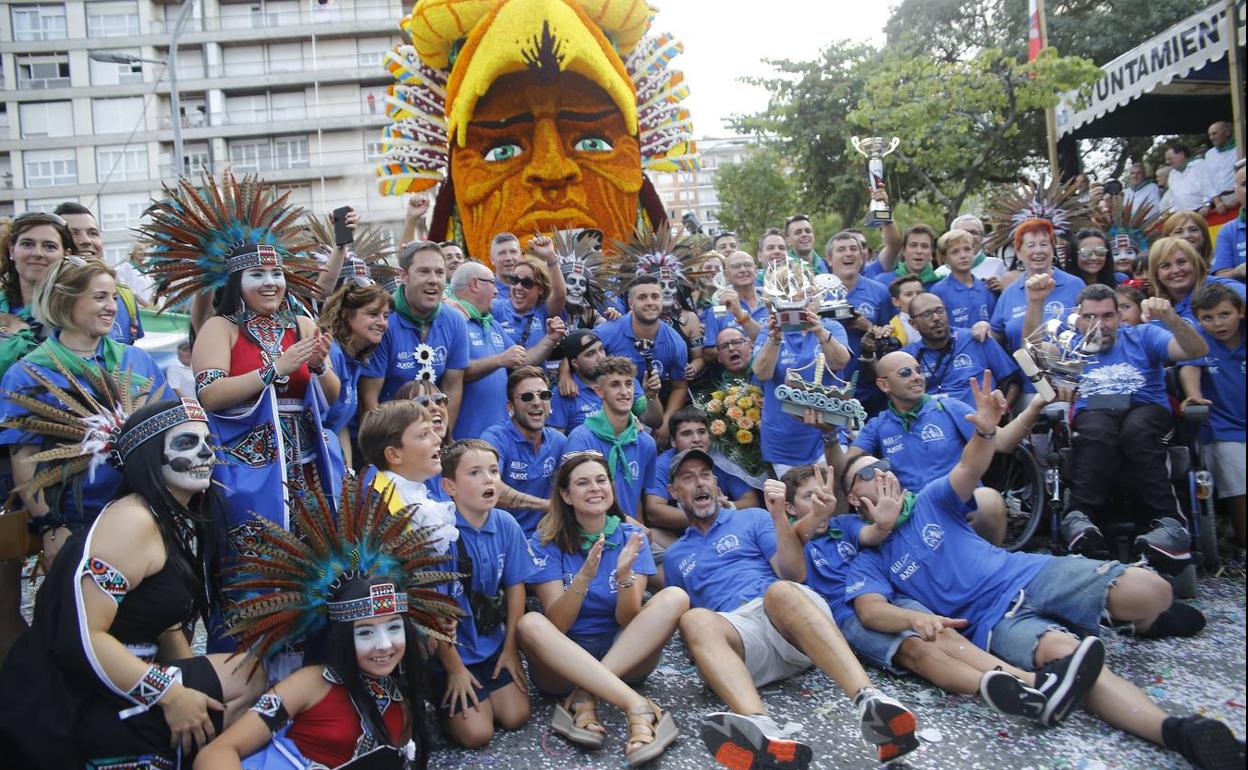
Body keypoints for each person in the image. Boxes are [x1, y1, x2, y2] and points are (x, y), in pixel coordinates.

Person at [842, 375, 1242, 770]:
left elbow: (969, 468)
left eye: (882, 464)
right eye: (866, 472)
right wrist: (915, 616)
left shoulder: (929, 500)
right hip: (994, 622)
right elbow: (870, 611)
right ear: (853, 499)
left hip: (1028, 573)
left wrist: (984, 433)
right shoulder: (868, 556)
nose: (880, 471)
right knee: (1070, 661)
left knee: (1154, 591)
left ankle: (1137, 620)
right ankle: (1178, 732)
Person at [0, 398, 265, 769]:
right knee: (246, 680)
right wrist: (171, 696)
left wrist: (191, 689)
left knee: (247, 676)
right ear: (149, 457)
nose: (206, 452)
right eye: (187, 442)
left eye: (208, 441)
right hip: (75, 695)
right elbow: (82, 637)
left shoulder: (170, 518)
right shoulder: (131, 522)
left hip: (121, 677)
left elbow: (165, 623)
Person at [664, 448, 919, 768]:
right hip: (742, 638)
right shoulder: (675, 557)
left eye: (705, 475)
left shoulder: (752, 518)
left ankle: (870, 701)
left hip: (790, 623)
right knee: (694, 619)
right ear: (673, 492)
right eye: (688, 478)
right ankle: (761, 732)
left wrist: (778, 517)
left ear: (717, 484)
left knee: (780, 590)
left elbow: (792, 574)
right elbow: (698, 633)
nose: (699, 484)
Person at [788, 464, 1098, 727]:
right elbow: (791, 567)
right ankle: (996, 689)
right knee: (918, 651)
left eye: (823, 493)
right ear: (790, 508)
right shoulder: (788, 540)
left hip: (887, 593)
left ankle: (1032, 683)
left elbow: (872, 534)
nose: (821, 500)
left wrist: (882, 521)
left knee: (941, 631)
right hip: (848, 615)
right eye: (809, 497)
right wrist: (816, 515)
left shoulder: (843, 524)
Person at [192, 476, 461, 770]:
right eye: (366, 631)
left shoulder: (403, 711)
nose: (384, 644)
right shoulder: (309, 684)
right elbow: (217, 753)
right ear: (343, 635)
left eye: (394, 627)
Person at [1023, 281, 1208, 567]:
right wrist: (1035, 303)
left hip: (1145, 410)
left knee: (1137, 429)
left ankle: (1170, 524)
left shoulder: (1144, 336)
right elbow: (1031, 354)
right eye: (1090, 317)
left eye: (1107, 316)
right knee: (1096, 430)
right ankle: (1079, 517)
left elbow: (1196, 350)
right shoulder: (1070, 345)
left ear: (1119, 316)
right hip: (1096, 414)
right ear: (1079, 319)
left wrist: (1170, 318)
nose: (1100, 324)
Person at [517, 452, 685, 765]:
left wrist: (624, 578)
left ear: (611, 487)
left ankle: (586, 695)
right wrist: (582, 579)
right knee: (530, 624)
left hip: (623, 654)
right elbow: (558, 624)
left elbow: (629, 619)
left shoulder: (632, 537)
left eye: (600, 480)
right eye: (582, 483)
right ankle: (638, 707)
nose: (595, 488)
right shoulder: (546, 540)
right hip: (563, 659)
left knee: (675, 596)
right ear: (566, 495)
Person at [0, 258, 165, 564]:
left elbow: (167, 434)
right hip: (75, 523)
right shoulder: (28, 374)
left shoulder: (136, 361)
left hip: (144, 515)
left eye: (114, 297)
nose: (112, 307)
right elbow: (25, 460)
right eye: (99, 297)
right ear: (64, 300)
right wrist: (51, 525)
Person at [851, 349, 1042, 546]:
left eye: (918, 370)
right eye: (906, 373)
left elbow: (1003, 442)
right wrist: (831, 436)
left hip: (959, 503)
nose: (917, 377)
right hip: (914, 514)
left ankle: (988, 565)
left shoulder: (949, 407)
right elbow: (848, 468)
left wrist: (1035, 406)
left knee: (988, 501)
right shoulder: (878, 425)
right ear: (884, 384)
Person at [430, 440, 534, 748]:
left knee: (516, 715)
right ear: (449, 486)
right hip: (452, 651)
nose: (489, 479)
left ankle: (487, 684)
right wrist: (455, 669)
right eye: (474, 473)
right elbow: (434, 612)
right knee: (477, 734)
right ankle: (440, 693)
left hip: (491, 645)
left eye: (493, 471)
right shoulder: (440, 533)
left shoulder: (506, 523)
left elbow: (516, 590)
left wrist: (511, 649)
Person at [448, 260, 564, 440]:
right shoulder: (451, 320)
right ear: (474, 284)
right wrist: (499, 360)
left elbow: (521, 360)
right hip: (465, 438)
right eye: (491, 283)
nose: (496, 291)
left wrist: (550, 339)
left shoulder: (490, 323)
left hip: (499, 437)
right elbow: (454, 373)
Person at [359, 240, 469, 423]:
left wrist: (443, 436)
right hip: (388, 431)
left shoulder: (455, 320)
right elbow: (369, 400)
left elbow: (453, 388)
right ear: (404, 276)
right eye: (424, 271)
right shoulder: (383, 321)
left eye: (439, 272)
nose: (433, 280)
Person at [753, 292, 851, 476]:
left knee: (835, 488)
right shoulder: (770, 331)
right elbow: (761, 373)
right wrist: (774, 338)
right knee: (797, 498)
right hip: (784, 440)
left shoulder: (831, 327)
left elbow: (840, 362)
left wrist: (819, 331)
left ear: (818, 301)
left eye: (808, 297)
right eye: (793, 300)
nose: (802, 305)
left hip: (827, 430)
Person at [1179, 283, 1246, 548]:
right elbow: (1189, 368)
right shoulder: (1198, 340)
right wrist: (1193, 394)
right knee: (1239, 480)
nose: (1218, 323)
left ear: (1240, 312)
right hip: (1222, 427)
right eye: (1208, 318)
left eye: (1224, 314)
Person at [595, 275, 690, 445]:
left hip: (651, 409)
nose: (650, 302)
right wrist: (565, 372)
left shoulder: (676, 343)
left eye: (655, 296)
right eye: (642, 297)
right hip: (608, 409)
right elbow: (578, 354)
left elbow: (680, 386)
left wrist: (667, 422)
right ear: (630, 304)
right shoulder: (607, 332)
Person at [563, 356, 660, 520]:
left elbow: (635, 498)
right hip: (592, 536)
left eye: (628, 384)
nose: (624, 392)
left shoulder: (646, 443)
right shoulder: (581, 439)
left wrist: (639, 535)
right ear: (599, 391)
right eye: (615, 385)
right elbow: (573, 503)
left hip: (630, 534)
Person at [358, 399, 459, 552]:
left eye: (433, 431)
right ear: (393, 454)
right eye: (424, 434)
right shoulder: (374, 507)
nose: (437, 439)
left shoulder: (421, 499)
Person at [649, 407, 760, 543]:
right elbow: (654, 511)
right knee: (654, 535)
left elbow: (751, 501)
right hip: (682, 538)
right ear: (673, 441)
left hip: (727, 531)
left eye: (702, 432)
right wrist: (705, 513)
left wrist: (727, 507)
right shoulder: (662, 464)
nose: (696, 439)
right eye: (686, 434)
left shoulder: (723, 458)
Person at [481, 367, 568, 537]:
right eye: (527, 396)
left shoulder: (559, 441)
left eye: (544, 395)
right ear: (510, 406)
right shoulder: (495, 438)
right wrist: (549, 505)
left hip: (547, 539)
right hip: (504, 539)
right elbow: (488, 488)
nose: (536, 402)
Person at [318, 281, 392, 471]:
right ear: (346, 315)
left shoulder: (354, 359)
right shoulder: (331, 353)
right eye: (373, 314)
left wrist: (348, 474)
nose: (382, 323)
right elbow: (320, 420)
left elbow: (340, 423)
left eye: (386, 316)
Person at [990, 217, 1086, 355]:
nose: (1038, 250)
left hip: (1072, 373)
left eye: (1044, 244)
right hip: (1026, 374)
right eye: (1031, 245)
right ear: (1019, 253)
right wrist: (983, 329)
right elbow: (997, 335)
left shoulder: (1075, 285)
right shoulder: (1010, 293)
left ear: (1053, 250)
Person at [904, 292, 1019, 406]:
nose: (936, 318)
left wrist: (1002, 413)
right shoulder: (908, 357)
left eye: (940, 311)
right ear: (913, 323)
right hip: (933, 421)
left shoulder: (977, 338)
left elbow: (1012, 381)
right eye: (927, 314)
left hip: (982, 420)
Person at [53, 202, 144, 344]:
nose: (86, 241)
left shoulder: (124, 296)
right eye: (73, 233)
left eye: (93, 233)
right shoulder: (44, 301)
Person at [0, 211, 77, 375]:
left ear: (66, 255)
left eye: (49, 246)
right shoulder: (2, 306)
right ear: (12, 250)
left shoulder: (77, 312)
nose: (37, 253)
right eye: (27, 244)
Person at [825, 231, 894, 413]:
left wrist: (867, 327)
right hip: (829, 387)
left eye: (853, 249)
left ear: (862, 256)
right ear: (829, 259)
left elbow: (891, 341)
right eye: (841, 249)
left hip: (870, 389)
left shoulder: (879, 292)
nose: (848, 253)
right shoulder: (815, 294)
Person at [550, 329, 662, 433]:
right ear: (575, 362)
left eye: (601, 349)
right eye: (590, 354)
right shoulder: (565, 392)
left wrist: (651, 396)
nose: (600, 357)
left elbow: (654, 421)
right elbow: (557, 442)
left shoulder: (624, 379)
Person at [491, 236, 567, 352]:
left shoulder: (542, 310)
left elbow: (560, 294)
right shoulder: (496, 307)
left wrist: (551, 257)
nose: (518, 287)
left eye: (527, 283)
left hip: (538, 370)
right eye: (514, 280)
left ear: (540, 288)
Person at [1147, 237, 1245, 326]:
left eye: (1182, 262)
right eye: (1166, 266)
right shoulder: (1159, 307)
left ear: (1195, 264)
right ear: (1156, 274)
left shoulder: (1222, 287)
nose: (1176, 270)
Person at [700, 250, 769, 353]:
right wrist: (734, 349)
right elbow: (709, 351)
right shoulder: (719, 307)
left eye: (747, 265)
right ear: (726, 274)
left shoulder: (771, 301)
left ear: (755, 270)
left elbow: (779, 341)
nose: (743, 269)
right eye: (736, 266)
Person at [930, 228, 997, 331]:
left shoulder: (987, 287)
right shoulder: (938, 291)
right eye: (955, 252)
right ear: (945, 258)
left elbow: (996, 327)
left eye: (967, 249)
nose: (963, 256)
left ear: (974, 251)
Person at [948, 214, 1006, 288]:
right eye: (963, 232)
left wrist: (1001, 289)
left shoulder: (998, 265)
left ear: (982, 237)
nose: (969, 236)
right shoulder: (941, 273)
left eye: (974, 232)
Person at [1211, 161, 1246, 278]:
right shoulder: (1228, 231)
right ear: (1235, 190)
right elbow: (1219, 278)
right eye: (1245, 184)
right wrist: (1238, 272)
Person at [1199, 121, 1239, 222]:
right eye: (1209, 135)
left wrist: (1240, 197)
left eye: (1215, 133)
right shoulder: (1209, 154)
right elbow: (1207, 180)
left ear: (1227, 132)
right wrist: (1217, 202)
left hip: (1239, 196)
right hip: (1220, 201)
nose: (1211, 137)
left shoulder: (1240, 148)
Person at [886, 224, 940, 288]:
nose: (919, 251)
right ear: (903, 251)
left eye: (924, 246)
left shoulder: (941, 286)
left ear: (931, 253)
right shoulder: (884, 282)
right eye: (913, 245)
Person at [1163, 143, 1206, 212]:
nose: (1168, 162)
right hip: (1184, 215)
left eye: (1170, 159)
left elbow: (1210, 187)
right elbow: (1173, 200)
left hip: (1204, 211)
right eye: (1167, 160)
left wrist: (1207, 205)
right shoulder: (1172, 175)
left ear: (1181, 154)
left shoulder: (1199, 165)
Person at [883, 274, 923, 346]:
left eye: (919, 293)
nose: (916, 297)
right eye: (909, 294)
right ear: (895, 301)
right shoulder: (892, 330)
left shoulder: (935, 320)